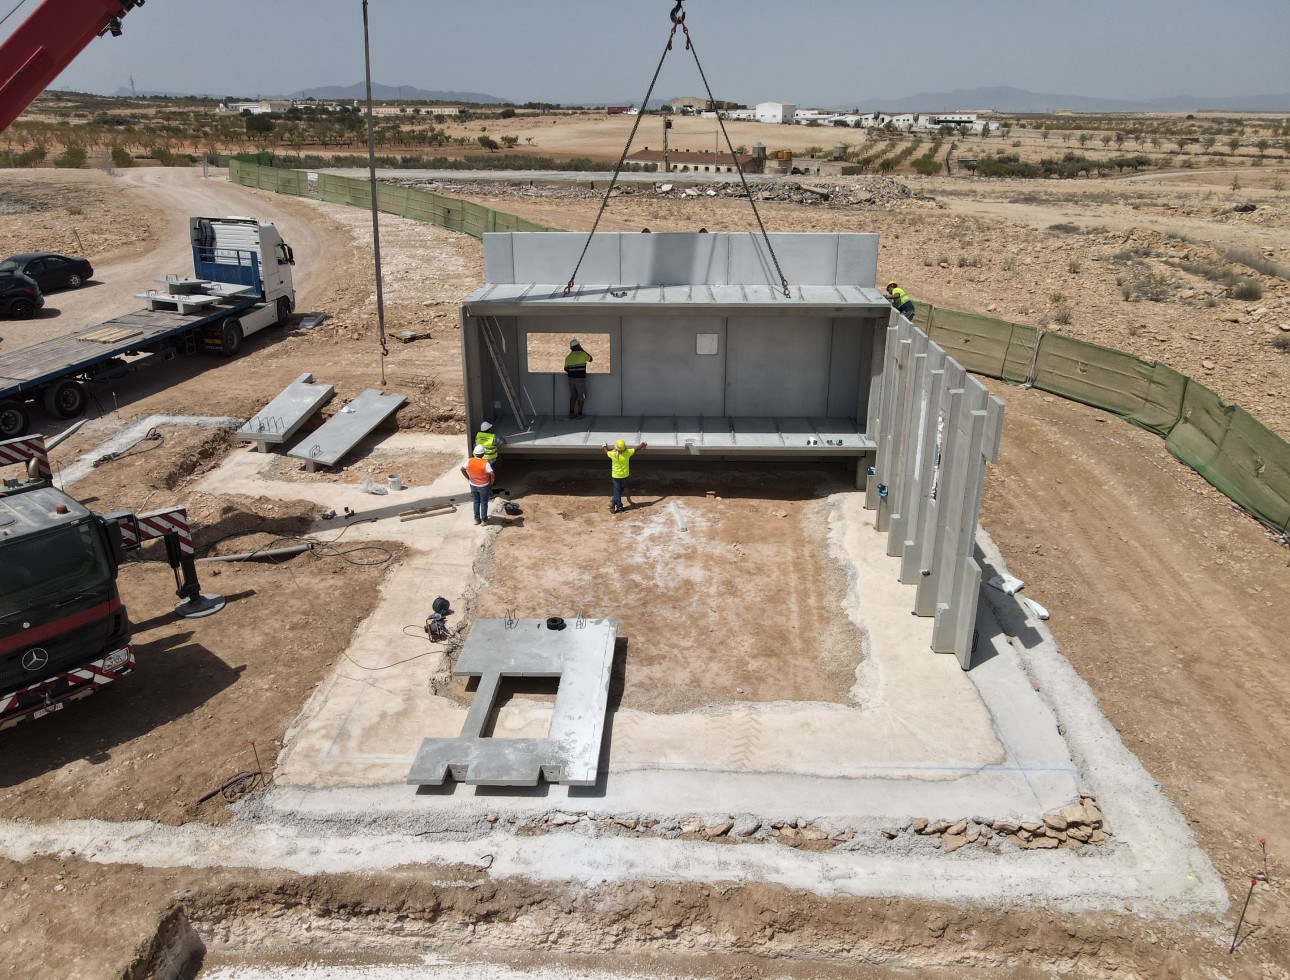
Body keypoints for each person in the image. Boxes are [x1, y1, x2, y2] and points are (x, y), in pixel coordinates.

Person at [602, 438, 647, 513]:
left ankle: (613, 503)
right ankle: (619, 507)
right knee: (620, 490)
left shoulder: (613, 454)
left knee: (618, 492)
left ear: (616, 447)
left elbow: (606, 451)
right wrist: (643, 444)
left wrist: (604, 445)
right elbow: (637, 449)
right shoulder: (627, 453)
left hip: (616, 476)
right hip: (624, 475)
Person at [460, 445, 494, 525]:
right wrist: (492, 482)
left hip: (473, 485)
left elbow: (462, 469)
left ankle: (476, 519)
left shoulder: (469, 461)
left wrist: (468, 478)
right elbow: (492, 473)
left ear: (475, 453)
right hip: (483, 486)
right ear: (483, 454)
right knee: (483, 502)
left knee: (476, 502)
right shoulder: (485, 463)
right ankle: (484, 520)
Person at [564, 338, 593, 419]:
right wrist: (583, 350)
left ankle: (571, 413)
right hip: (580, 381)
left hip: (571, 380)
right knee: (581, 396)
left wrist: (573, 372)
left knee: (573, 396)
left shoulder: (568, 357)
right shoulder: (583, 355)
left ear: (571, 348)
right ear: (578, 346)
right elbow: (591, 359)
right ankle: (580, 414)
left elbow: (566, 369)